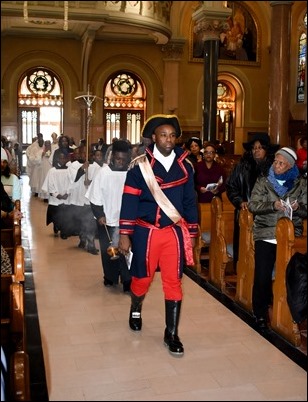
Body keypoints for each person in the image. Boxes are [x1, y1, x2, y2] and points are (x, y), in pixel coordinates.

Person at [118, 114, 198, 357]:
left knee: (173, 281)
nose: (168, 140)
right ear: (153, 137)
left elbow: (190, 201)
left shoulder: (186, 166)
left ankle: (171, 333)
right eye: (163, 135)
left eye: (172, 135)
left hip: (173, 233)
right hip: (145, 232)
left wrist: (192, 232)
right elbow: (129, 200)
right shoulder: (139, 166)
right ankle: (135, 308)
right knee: (141, 279)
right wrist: (125, 233)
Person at [248, 146, 307, 330]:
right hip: (266, 233)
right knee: (262, 276)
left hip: (290, 235)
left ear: (290, 166)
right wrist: (273, 205)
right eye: (275, 161)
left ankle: (290, 313)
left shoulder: (301, 184)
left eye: (281, 163)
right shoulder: (263, 181)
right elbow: (253, 205)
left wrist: (298, 209)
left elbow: (306, 209)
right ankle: (260, 313)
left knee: (289, 275)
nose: (277, 165)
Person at [225, 133, 280, 269]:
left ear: (266, 149)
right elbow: (231, 186)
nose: (256, 150)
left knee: (265, 254)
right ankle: (243, 275)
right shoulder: (242, 166)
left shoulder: (273, 168)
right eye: (254, 148)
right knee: (245, 248)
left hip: (267, 216)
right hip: (246, 213)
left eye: (260, 147)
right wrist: (239, 201)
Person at [86, 140, 132, 292]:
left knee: (127, 252)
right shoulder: (103, 173)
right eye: (118, 159)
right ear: (112, 157)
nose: (121, 163)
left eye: (124, 160)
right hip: (107, 219)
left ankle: (127, 280)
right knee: (109, 252)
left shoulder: (131, 174)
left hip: (126, 221)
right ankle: (110, 277)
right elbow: (94, 197)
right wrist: (99, 215)